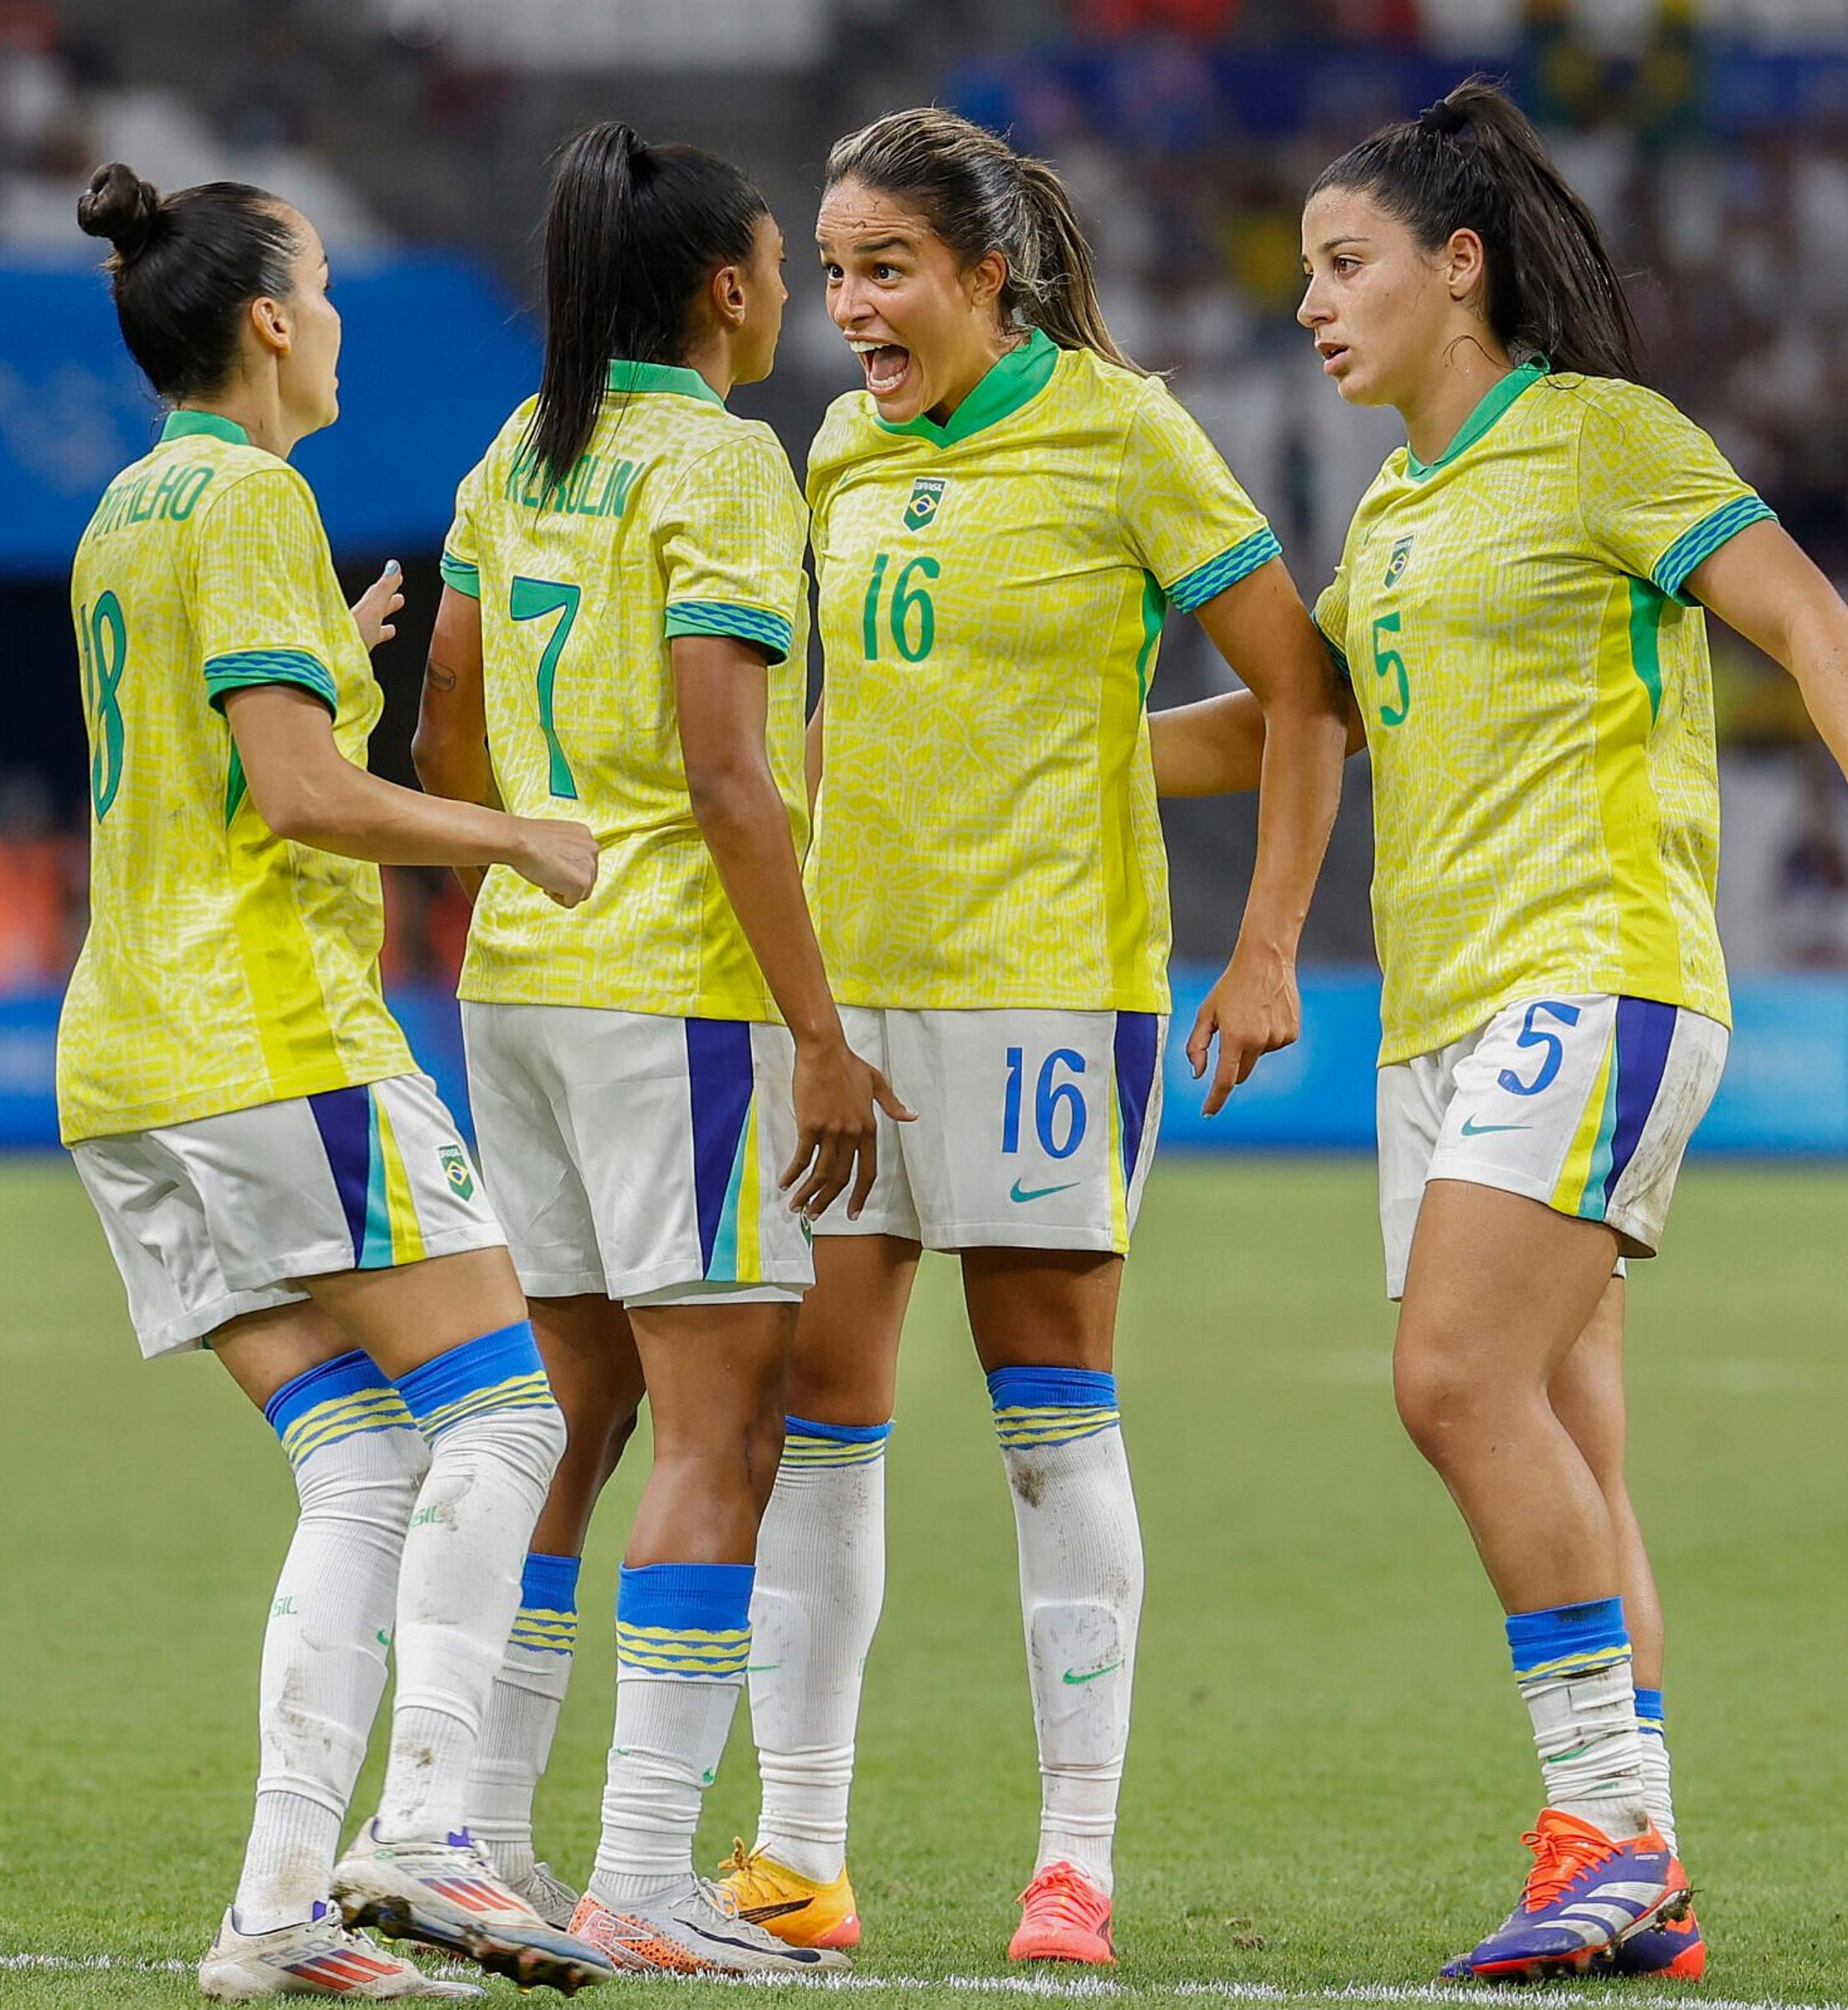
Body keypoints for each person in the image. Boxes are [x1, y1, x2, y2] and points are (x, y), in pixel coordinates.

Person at [1154, 80, 1848, 1983]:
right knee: (1571, 1445)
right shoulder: (1388, 509)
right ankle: (1648, 1863)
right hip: (1438, 1018)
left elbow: (1811, 621)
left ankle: (1598, 1831)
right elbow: (1286, 725)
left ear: (1458, 270)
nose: (1308, 303)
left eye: (1342, 264)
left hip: (1592, 971)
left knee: (1450, 1381)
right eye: (1301, 272)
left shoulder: (1604, 440)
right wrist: (1045, 760)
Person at [715, 106, 1350, 1971]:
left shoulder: (1124, 434)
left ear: (992, 275)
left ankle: (1074, 1860)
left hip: (1054, 987)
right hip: (851, 999)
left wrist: (1264, 948)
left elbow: (1299, 686)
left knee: (1044, 1417)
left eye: (887, 271)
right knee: (814, 1417)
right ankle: (800, 1854)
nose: (850, 315)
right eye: (833, 275)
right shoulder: (836, 447)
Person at [58, 160, 614, 2002]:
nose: (346, 314)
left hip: (131, 1065)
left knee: (366, 1465)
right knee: (510, 1413)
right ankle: (434, 1827)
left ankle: (279, 1915)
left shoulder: (132, 510)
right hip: (270, 1040)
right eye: (327, 282)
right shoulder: (251, 498)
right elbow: (300, 799)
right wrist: (505, 831)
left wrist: (339, 668)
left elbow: (227, 760)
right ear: (271, 318)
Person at [411, 123, 903, 1976]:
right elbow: (727, 776)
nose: (800, 295)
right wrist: (822, 1036)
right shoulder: (718, 461)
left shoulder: (517, 451)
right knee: (725, 1424)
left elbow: (446, 705)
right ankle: (638, 1872)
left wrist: (513, 851)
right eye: (787, 265)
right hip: (668, 994)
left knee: (572, 1414)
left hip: (518, 979)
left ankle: (471, 1828)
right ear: (722, 287)